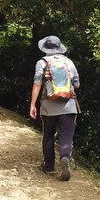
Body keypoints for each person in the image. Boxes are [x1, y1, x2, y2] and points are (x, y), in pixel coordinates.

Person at [29, 35, 80, 181]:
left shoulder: (42, 62)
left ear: (45, 48)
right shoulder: (69, 62)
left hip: (48, 106)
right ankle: (65, 157)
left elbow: (37, 83)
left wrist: (33, 104)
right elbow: (76, 84)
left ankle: (49, 166)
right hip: (69, 105)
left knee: (48, 135)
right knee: (66, 136)